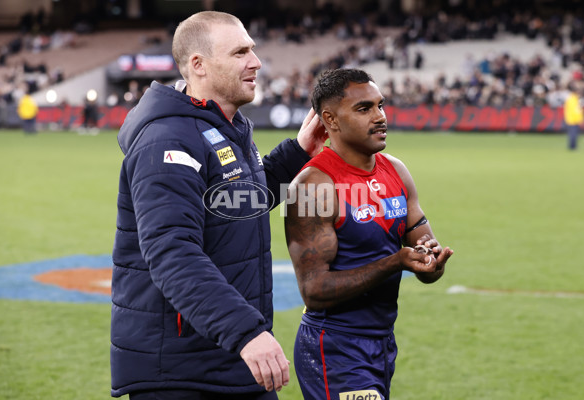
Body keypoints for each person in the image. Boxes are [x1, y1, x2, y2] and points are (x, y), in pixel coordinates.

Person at [110, 11, 326, 400]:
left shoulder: (227, 126)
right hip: (182, 373)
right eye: (241, 52)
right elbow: (172, 252)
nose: (256, 62)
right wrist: (246, 332)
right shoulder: (167, 138)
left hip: (230, 360)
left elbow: (237, 204)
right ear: (199, 65)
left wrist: (297, 152)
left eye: (253, 50)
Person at [284, 68, 454, 400]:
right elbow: (313, 291)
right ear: (331, 120)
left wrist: (431, 261)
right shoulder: (312, 187)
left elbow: (423, 250)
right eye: (364, 109)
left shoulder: (395, 170)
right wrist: (395, 263)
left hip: (381, 341)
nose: (379, 117)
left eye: (380, 105)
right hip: (334, 346)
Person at [563, 81, 584, 150]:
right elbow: (575, 111)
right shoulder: (573, 99)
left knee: (573, 134)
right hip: (573, 119)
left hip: (572, 119)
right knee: (573, 134)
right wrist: (579, 119)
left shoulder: (572, 98)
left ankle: (573, 146)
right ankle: (572, 147)